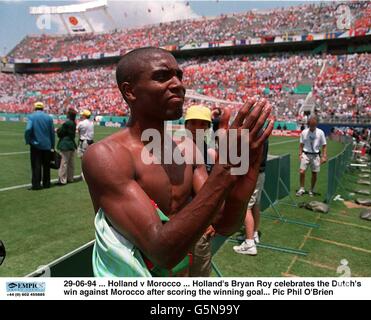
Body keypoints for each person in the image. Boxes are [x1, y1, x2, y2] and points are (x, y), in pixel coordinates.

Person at [82, 47, 274, 277]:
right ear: (130, 91)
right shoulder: (107, 156)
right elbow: (161, 252)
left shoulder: (187, 149)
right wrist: (225, 171)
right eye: (162, 77)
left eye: (179, 76)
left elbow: (224, 222)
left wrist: (248, 172)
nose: (178, 85)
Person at [184, 104, 216, 276]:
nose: (198, 127)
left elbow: (209, 188)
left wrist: (209, 219)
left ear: (208, 128)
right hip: (178, 220)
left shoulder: (209, 152)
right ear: (186, 125)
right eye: (193, 123)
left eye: (203, 124)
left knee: (199, 274)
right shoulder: (175, 149)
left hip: (201, 223)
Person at [233, 139, 269, 255]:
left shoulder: (253, 133)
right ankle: (253, 234)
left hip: (252, 174)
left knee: (246, 206)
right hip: (260, 173)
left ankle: (249, 244)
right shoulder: (262, 132)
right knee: (255, 204)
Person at [24, 102, 55, 190]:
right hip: (47, 145)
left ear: (34, 108)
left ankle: (36, 184)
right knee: (46, 165)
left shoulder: (31, 117)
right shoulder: (49, 118)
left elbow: (28, 129)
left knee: (36, 165)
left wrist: (28, 140)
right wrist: (52, 145)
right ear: (43, 108)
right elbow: (52, 133)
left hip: (36, 145)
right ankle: (47, 183)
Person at [296, 116, 327, 197]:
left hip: (316, 155)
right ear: (308, 124)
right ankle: (302, 188)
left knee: (314, 173)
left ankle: (311, 190)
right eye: (311, 125)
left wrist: (324, 156)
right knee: (302, 171)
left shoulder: (320, 132)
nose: (312, 126)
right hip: (305, 154)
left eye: (314, 125)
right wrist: (300, 154)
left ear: (316, 124)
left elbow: (324, 145)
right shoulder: (304, 132)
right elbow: (301, 144)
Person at [57, 108, 77, 185]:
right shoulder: (73, 123)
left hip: (65, 144)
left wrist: (57, 130)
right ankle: (70, 178)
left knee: (64, 163)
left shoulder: (67, 123)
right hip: (71, 144)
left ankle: (62, 180)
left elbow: (61, 132)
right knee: (71, 163)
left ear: (69, 115)